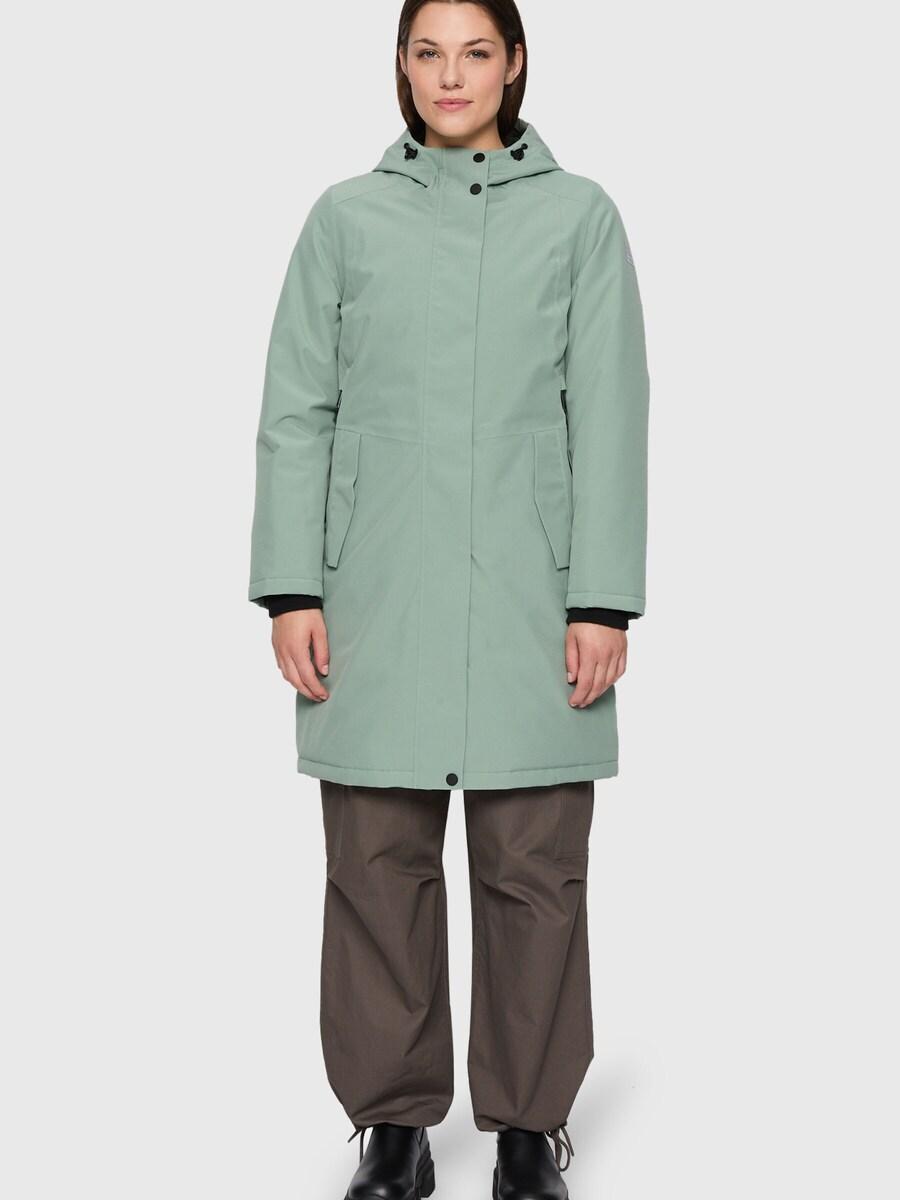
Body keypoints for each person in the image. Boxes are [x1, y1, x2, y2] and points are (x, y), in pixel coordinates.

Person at [247, 1, 650, 1197]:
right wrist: (291, 586)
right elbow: (297, 410)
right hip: (374, 592)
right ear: (403, 66)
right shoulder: (345, 219)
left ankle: (528, 1130)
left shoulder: (579, 218)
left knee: (535, 867)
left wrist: (602, 600)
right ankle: (394, 1128)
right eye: (428, 52)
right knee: (376, 864)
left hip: (536, 594)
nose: (451, 75)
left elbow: (611, 412)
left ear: (514, 64)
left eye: (476, 52)